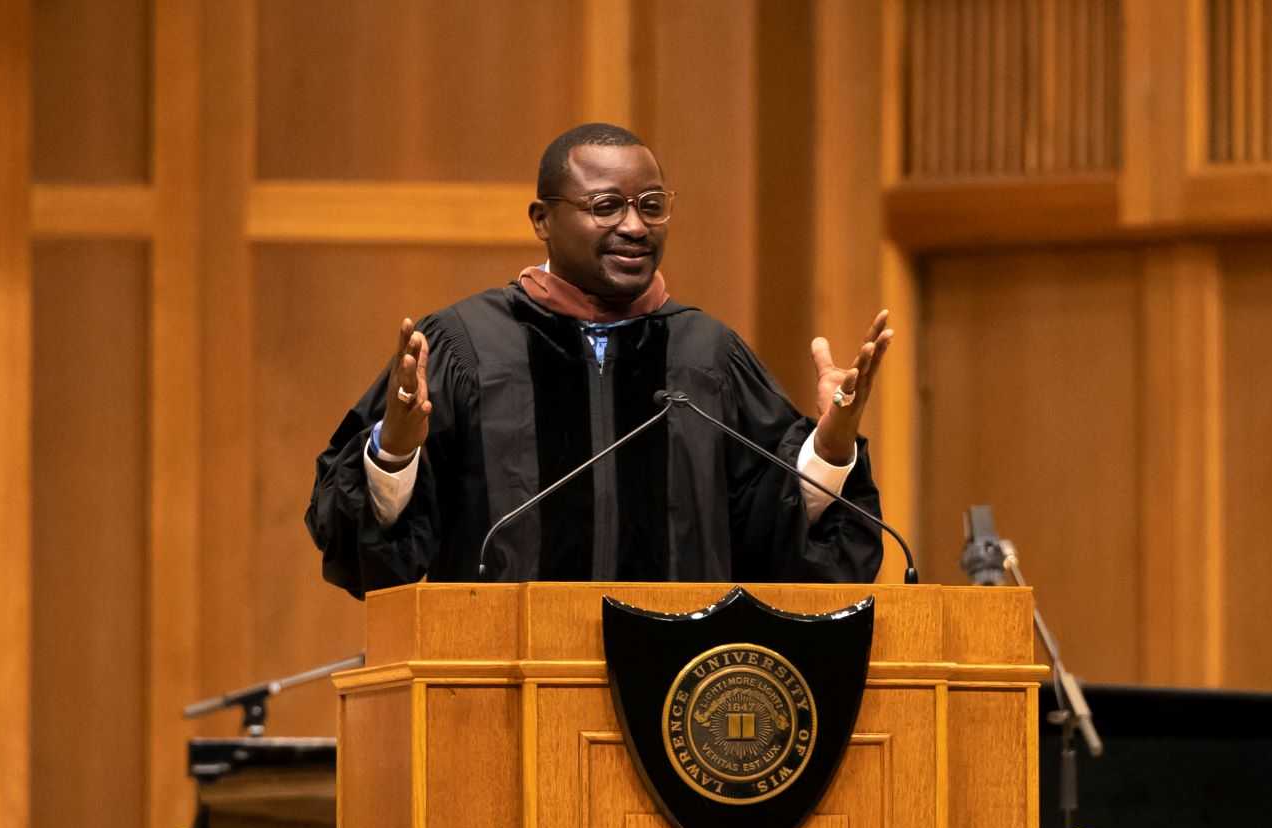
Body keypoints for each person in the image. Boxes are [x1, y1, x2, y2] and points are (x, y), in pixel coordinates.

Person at [306, 122, 895, 595]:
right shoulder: (465, 347)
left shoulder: (706, 356)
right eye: (607, 206)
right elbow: (370, 555)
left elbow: (776, 540)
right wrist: (396, 451)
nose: (634, 226)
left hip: (676, 697)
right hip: (502, 695)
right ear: (543, 219)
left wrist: (832, 447)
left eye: (652, 205)